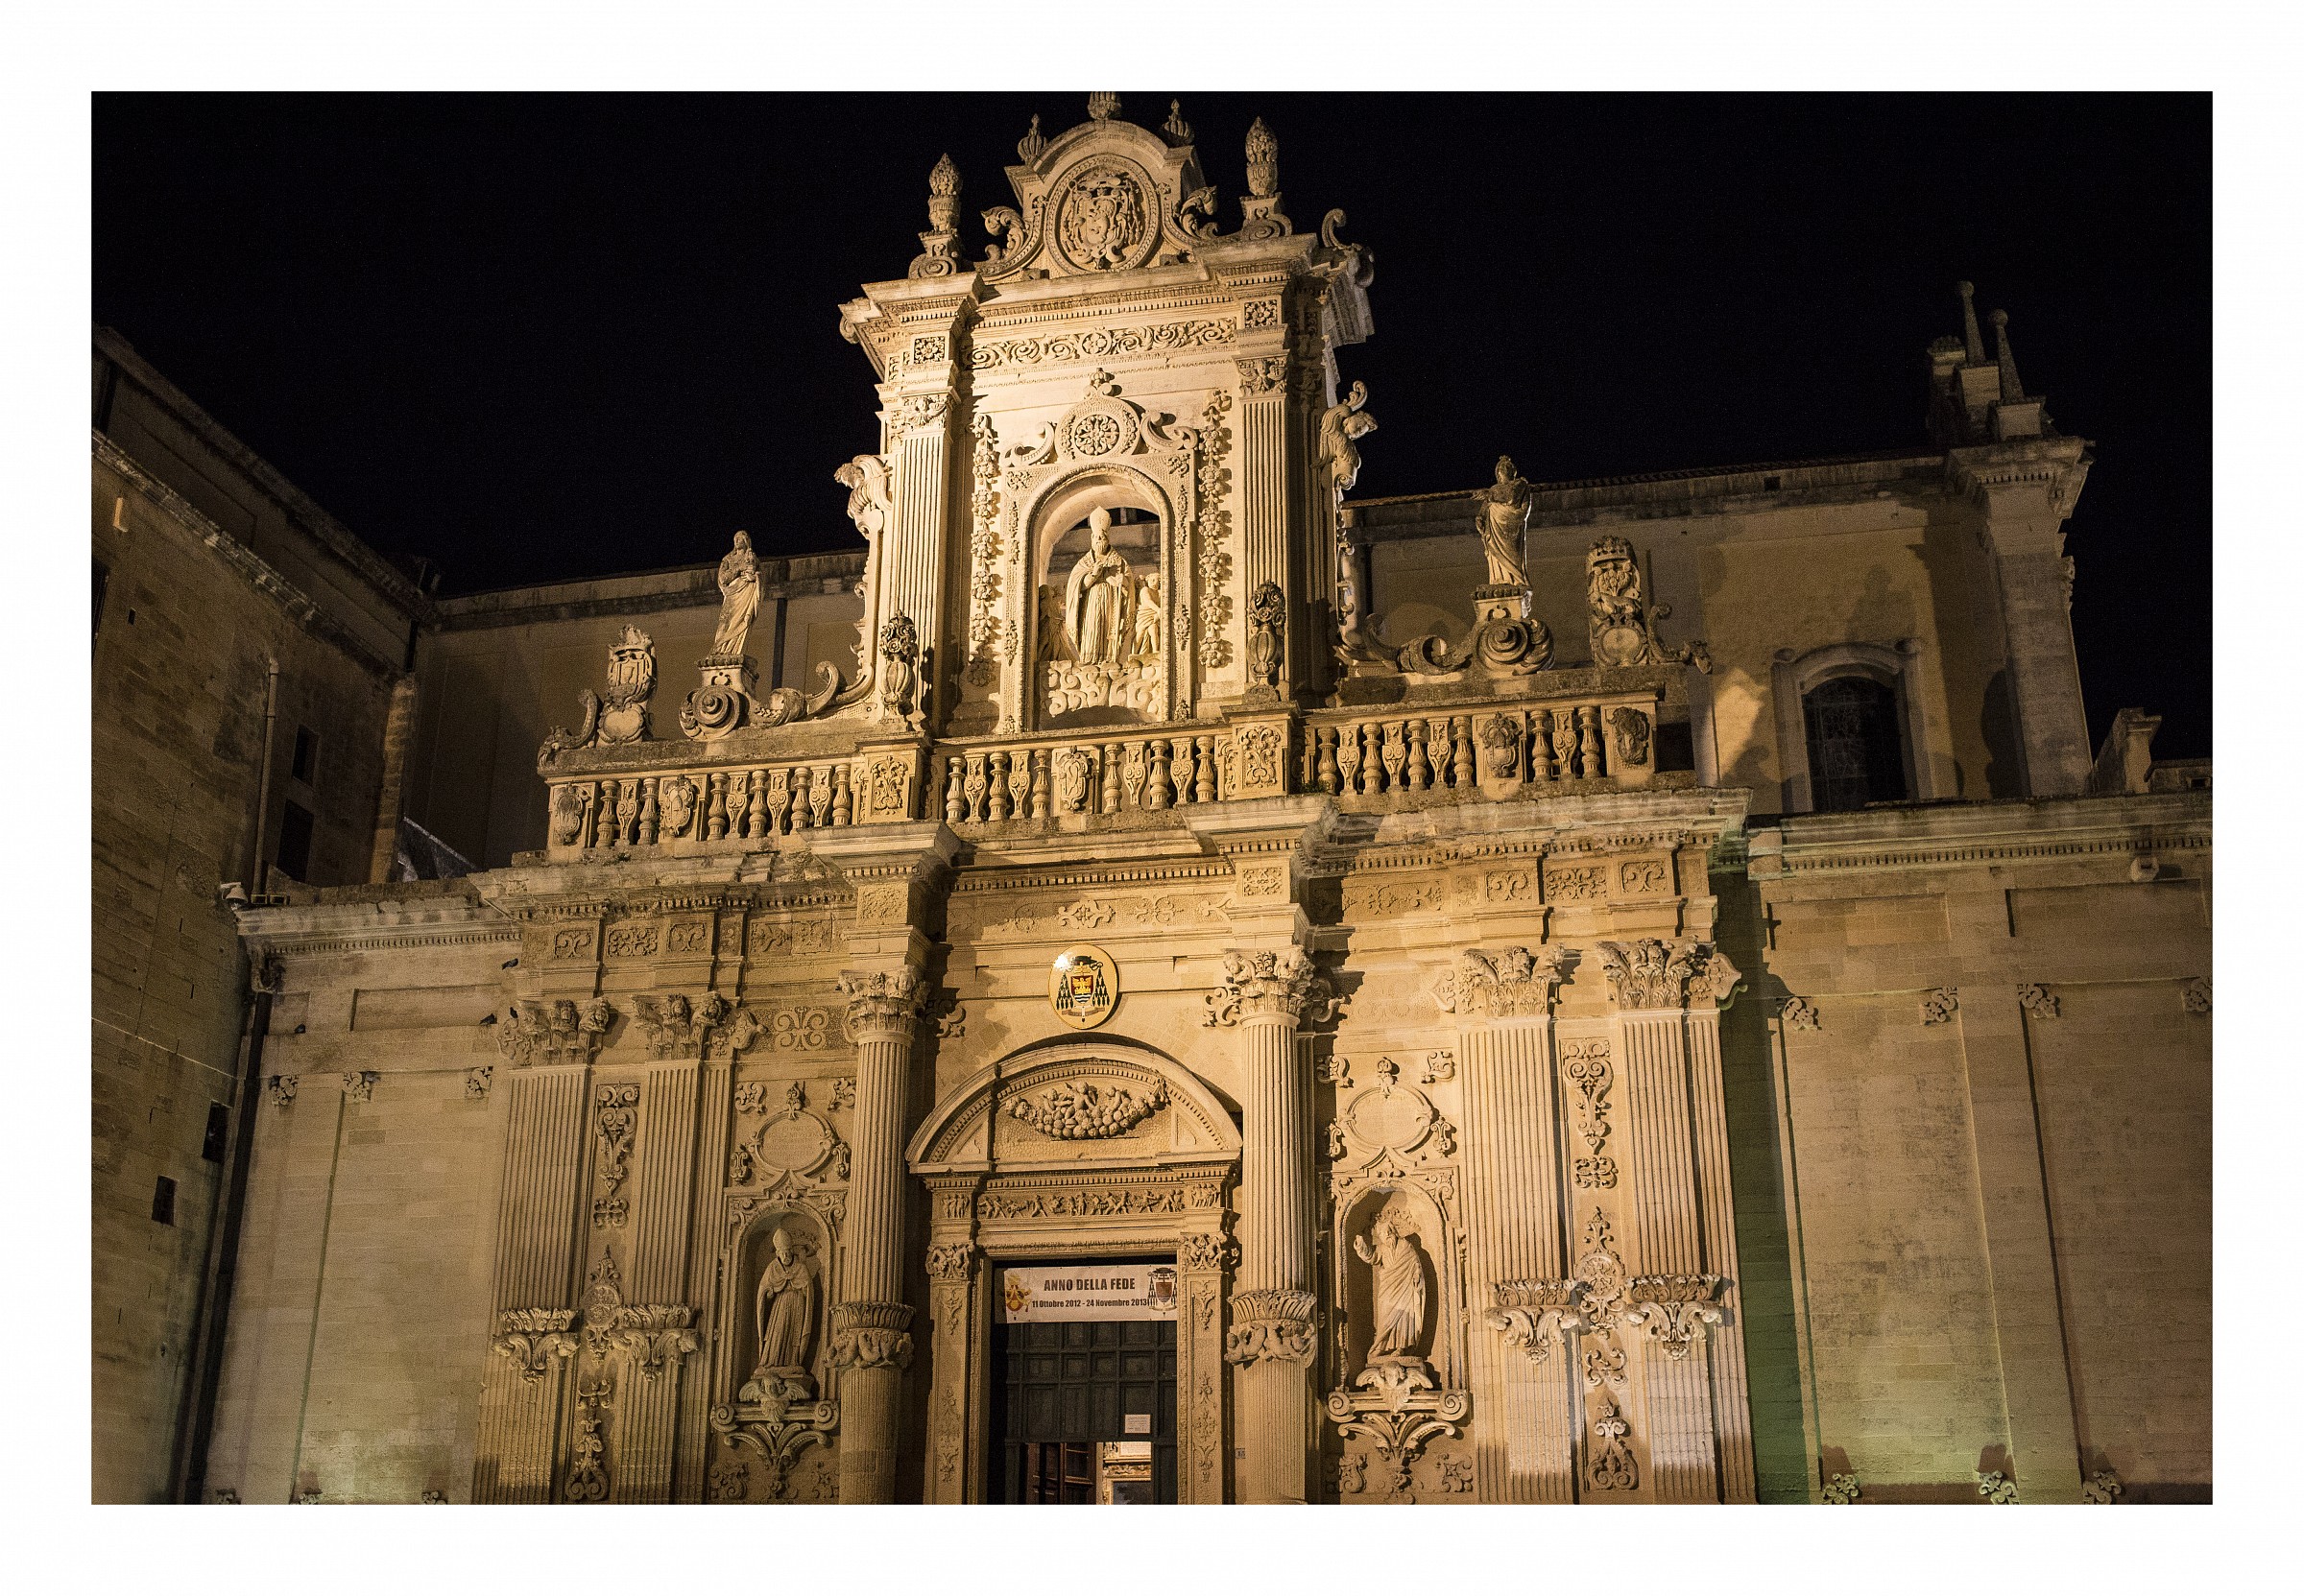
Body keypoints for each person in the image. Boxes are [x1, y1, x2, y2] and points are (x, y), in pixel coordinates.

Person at [1062, 509, 1134, 664]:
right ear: (1091, 538)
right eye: (1096, 537)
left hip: (1110, 603)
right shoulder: (1084, 562)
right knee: (1092, 629)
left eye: (1102, 537)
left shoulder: (1118, 561)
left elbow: (1128, 586)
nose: (1099, 539)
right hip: (1091, 604)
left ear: (1108, 539)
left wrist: (1122, 581)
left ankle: (1110, 659)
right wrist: (1093, 574)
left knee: (1108, 630)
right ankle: (1089, 660)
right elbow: (1076, 587)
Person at [1353, 1216, 1427, 1361]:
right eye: (1381, 1235)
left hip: (1404, 1287)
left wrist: (1417, 1275)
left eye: (1387, 1233)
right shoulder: (1382, 1248)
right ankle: (1380, 1346)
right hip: (1388, 1286)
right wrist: (1361, 1248)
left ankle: (1401, 1348)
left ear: (1392, 1232)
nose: (1385, 1237)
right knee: (1385, 1316)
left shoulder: (1405, 1246)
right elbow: (1372, 1257)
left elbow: (1415, 1263)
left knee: (1404, 1316)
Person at [754, 1226, 815, 1380]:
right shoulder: (772, 1268)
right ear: (777, 1253)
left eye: (788, 1252)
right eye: (783, 1253)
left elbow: (808, 1291)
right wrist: (769, 1294)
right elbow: (764, 1294)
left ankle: (793, 1361)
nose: (786, 1255)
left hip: (796, 1305)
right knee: (777, 1332)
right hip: (779, 1306)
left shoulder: (800, 1268)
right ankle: (770, 1363)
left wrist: (802, 1289)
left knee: (794, 1335)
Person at [1471, 456, 1533, 588]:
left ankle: (1516, 580)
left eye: (1507, 467)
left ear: (1513, 471)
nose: (1504, 469)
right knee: (1495, 553)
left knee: (1513, 556)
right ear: (1498, 472)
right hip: (1494, 527)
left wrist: (1490, 495)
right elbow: (1485, 508)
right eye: (1502, 467)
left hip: (1511, 526)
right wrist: (1480, 519)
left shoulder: (1520, 484)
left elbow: (1512, 498)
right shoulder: (1493, 489)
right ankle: (1499, 580)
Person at [711, 530, 761, 656]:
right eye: (736, 538)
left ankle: (733, 651)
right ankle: (719, 649)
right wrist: (739, 568)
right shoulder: (727, 559)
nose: (738, 540)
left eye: (740, 538)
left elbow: (758, 575)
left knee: (742, 621)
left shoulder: (752, 557)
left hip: (745, 595)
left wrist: (754, 578)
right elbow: (723, 579)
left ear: (746, 541)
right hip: (732, 594)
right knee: (725, 621)